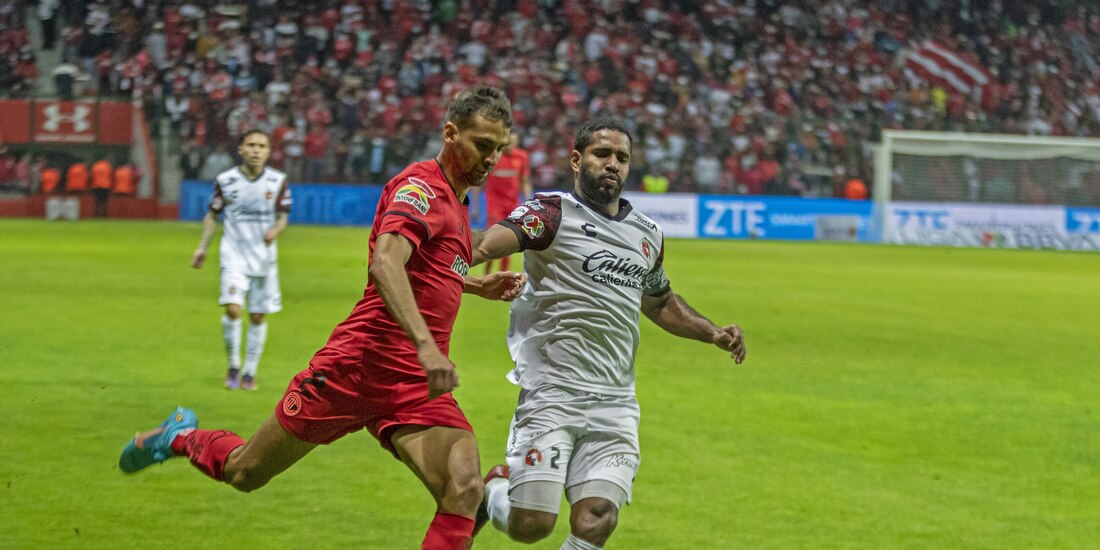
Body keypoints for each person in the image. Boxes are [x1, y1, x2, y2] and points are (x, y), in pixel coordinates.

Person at [119, 87, 524, 550]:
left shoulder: (456, 198)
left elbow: (429, 266)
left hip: (413, 385)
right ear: (450, 133)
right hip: (356, 367)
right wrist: (428, 346)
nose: (492, 158)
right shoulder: (421, 189)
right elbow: (386, 264)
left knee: (464, 489)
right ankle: (180, 436)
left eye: (498, 148)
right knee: (246, 472)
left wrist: (472, 284)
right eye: (482, 144)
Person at [472, 117, 747, 549]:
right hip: (553, 393)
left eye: (622, 157)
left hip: (615, 402)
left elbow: (659, 301)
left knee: (597, 519)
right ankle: (491, 495)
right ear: (577, 160)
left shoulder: (648, 235)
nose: (613, 164)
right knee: (532, 525)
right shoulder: (550, 213)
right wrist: (437, 258)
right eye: (602, 155)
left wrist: (711, 332)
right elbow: (486, 245)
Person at [190, 130, 290, 391]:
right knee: (233, 309)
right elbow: (212, 215)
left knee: (257, 315)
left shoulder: (277, 181)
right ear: (241, 149)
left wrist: (277, 230)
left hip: (264, 259)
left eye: (261, 146)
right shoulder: (226, 180)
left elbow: (282, 215)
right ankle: (233, 366)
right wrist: (202, 248)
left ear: (268, 151)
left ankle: (249, 373)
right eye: (251, 145)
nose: (256, 150)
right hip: (233, 254)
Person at [470, 130, 531, 273]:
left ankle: (502, 273)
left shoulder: (522, 156)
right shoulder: (492, 157)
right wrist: (475, 206)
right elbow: (478, 182)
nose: (512, 144)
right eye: (509, 141)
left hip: (513, 205)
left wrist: (528, 201)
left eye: (515, 141)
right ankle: (487, 271)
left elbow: (524, 181)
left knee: (509, 239)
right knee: (494, 239)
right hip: (494, 204)